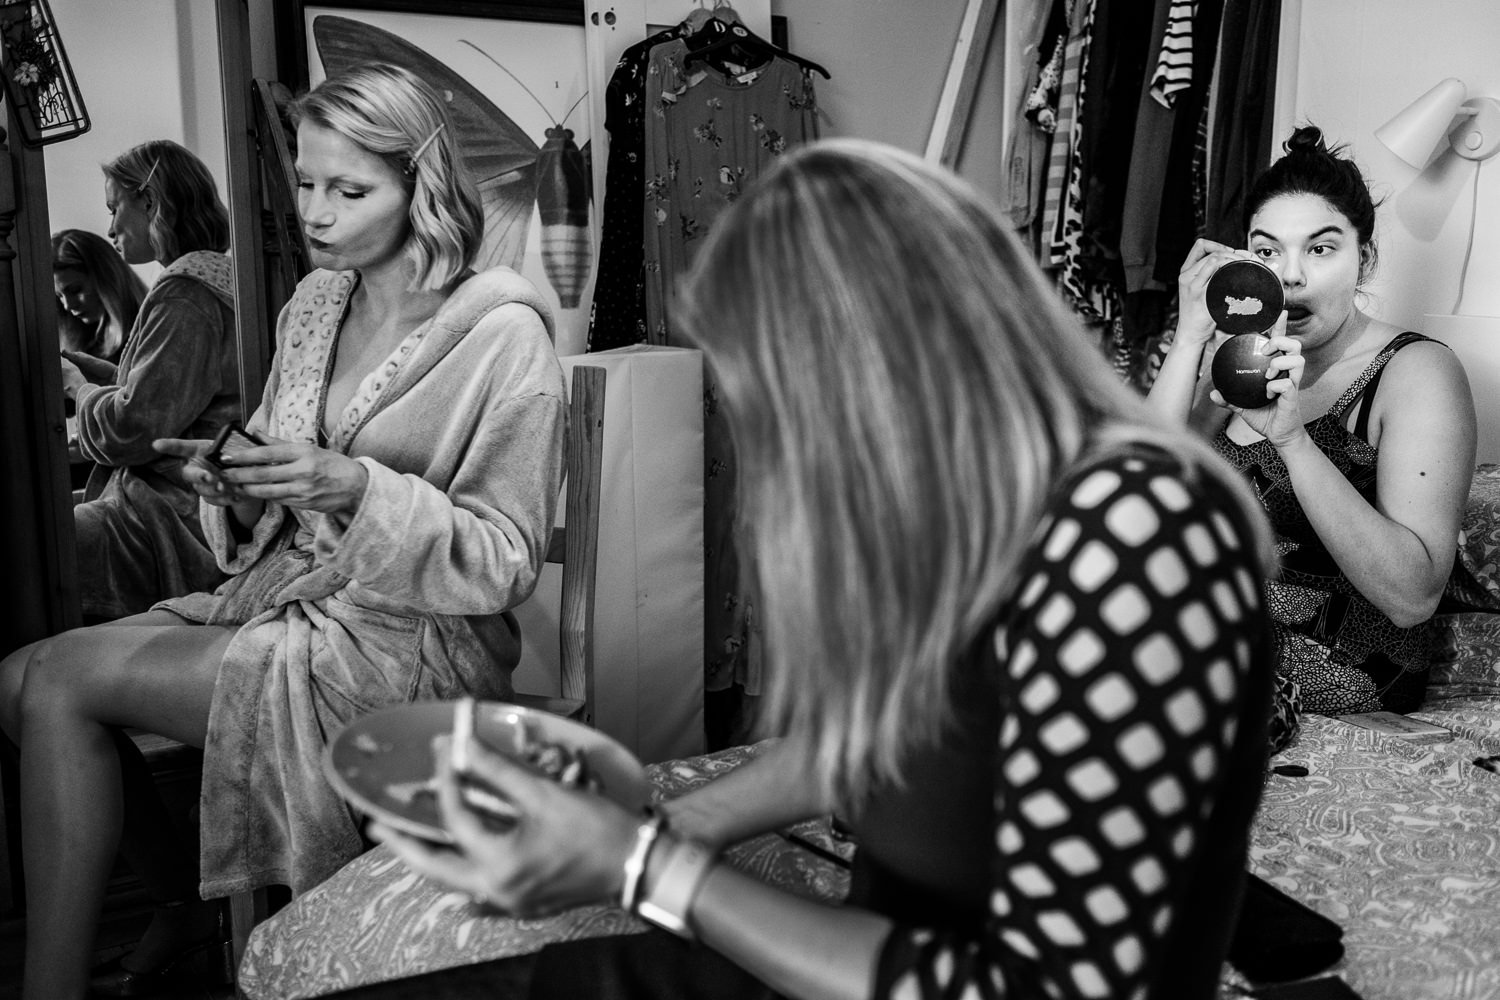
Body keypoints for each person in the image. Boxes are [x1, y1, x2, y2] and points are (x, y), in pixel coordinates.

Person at [368, 139, 1277, 1000]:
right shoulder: (971, 511)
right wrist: (668, 825)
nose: (775, 443)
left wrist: (644, 868)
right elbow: (903, 735)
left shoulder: (1135, 529)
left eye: (775, 397)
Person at [0, 62, 566, 1000]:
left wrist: (358, 489)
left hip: (408, 643)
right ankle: (183, 910)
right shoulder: (316, 305)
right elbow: (279, 476)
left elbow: (504, 560)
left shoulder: (502, 338)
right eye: (306, 182)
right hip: (285, 595)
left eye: (350, 190)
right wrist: (229, 480)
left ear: (421, 187)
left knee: (59, 683)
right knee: (17, 678)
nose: (316, 211)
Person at [1147, 125, 1476, 746]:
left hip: (1338, 663)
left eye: (1321, 250)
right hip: (1212, 627)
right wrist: (1191, 336)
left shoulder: (1417, 371)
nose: (1290, 276)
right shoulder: (1243, 355)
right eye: (1267, 252)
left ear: (1364, 260)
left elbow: (1412, 596)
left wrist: (1294, 441)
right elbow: (1141, 491)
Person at [66, 141, 240, 622]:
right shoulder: (218, 275)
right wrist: (115, 377)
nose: (110, 227)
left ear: (149, 201)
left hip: (177, 512)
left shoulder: (185, 291)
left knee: (43, 549)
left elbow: (135, 429)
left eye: (113, 207)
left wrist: (78, 389)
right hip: (189, 499)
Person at [53, 227, 148, 366]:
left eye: (75, 290)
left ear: (107, 278)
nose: (68, 305)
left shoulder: (148, 330)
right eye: (59, 296)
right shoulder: (84, 343)